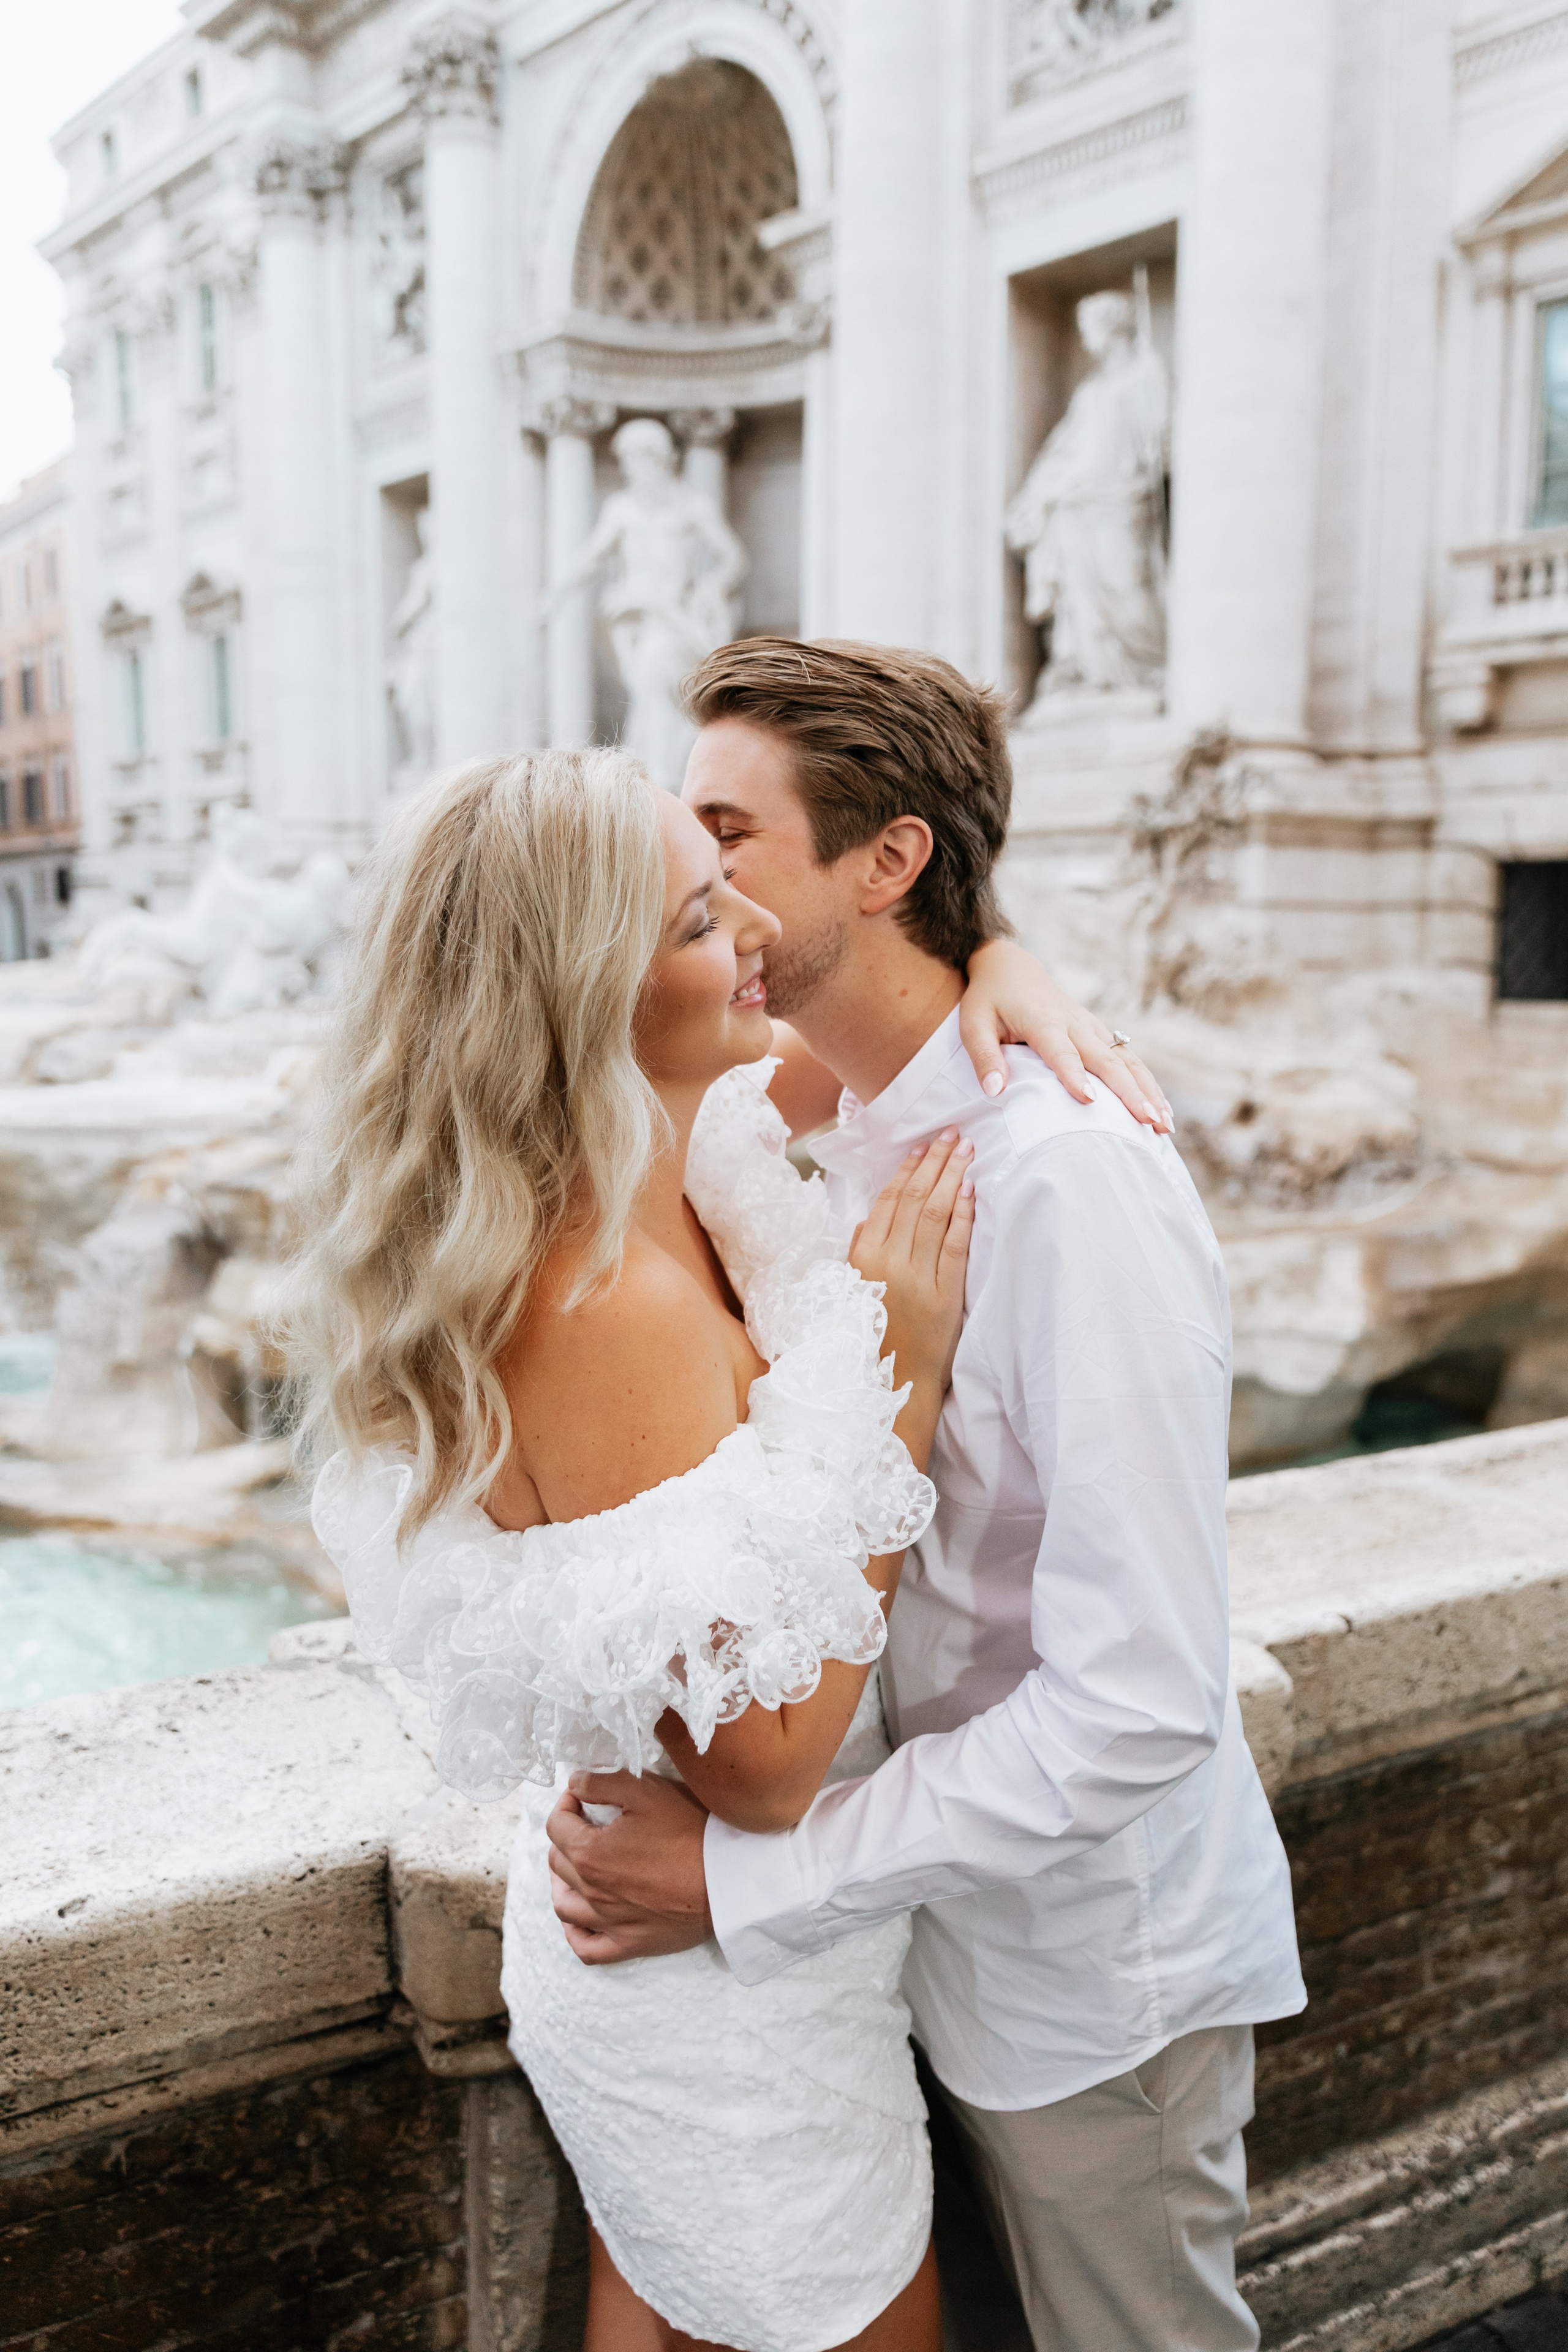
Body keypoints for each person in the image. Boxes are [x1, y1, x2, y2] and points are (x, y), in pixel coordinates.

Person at [285, 740, 1141, 2352]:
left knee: (660, 2308)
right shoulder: (609, 1299)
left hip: (719, 1950)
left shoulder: (696, 1144)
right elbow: (757, 1761)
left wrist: (1005, 950)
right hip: (723, 1994)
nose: (752, 926)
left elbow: (886, 1014)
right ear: (581, 987)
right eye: (696, 917)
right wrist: (901, 1371)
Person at [545, 638, 1306, 2352]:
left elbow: (1139, 1702)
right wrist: (1009, 949)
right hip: (895, 1959)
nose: (691, 875)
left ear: (887, 864)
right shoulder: (808, 1108)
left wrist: (749, 1885)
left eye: (726, 832)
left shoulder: (1074, 1182)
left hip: (1087, 1979)